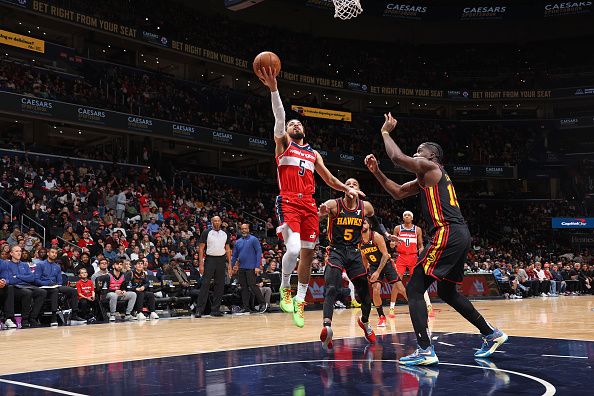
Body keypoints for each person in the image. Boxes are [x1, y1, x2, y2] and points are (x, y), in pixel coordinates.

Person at [365, 113, 507, 366]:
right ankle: (491, 333)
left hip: (447, 231)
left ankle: (425, 349)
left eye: (420, 151)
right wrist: (376, 172)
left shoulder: (431, 168)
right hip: (459, 234)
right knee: (447, 291)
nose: (415, 153)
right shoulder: (426, 177)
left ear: (431, 156)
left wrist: (385, 132)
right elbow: (397, 193)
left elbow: (397, 158)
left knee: (415, 287)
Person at [259, 66, 365, 328]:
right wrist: (274, 89)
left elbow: (328, 179)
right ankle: (284, 286)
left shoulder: (313, 154)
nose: (294, 124)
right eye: (292, 123)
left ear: (304, 129)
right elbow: (280, 116)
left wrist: (346, 189)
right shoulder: (284, 144)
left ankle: (300, 300)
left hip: (308, 204)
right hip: (288, 200)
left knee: (307, 254)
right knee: (293, 248)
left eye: (299, 123)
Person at [317, 178, 377, 351]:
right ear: (343, 188)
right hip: (336, 251)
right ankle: (327, 327)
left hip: (355, 253)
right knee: (331, 289)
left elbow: (376, 223)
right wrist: (320, 214)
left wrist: (387, 235)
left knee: (365, 294)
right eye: (347, 183)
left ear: (359, 189)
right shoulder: (333, 204)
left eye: (355, 184)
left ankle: (364, 322)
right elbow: (316, 218)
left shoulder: (366, 207)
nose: (351, 185)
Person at [360, 218, 407, 327]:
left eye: (364, 223)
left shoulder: (376, 236)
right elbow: (363, 256)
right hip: (373, 265)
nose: (362, 225)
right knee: (375, 289)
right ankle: (381, 316)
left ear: (369, 225)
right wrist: (366, 270)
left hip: (386, 263)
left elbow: (385, 255)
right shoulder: (359, 240)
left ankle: (416, 309)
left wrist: (377, 272)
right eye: (361, 223)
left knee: (400, 288)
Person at [394, 211, 432, 317]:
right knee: (397, 280)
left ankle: (428, 305)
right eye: (405, 215)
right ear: (403, 218)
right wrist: (393, 244)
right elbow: (393, 243)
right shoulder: (397, 228)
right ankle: (392, 308)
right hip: (401, 256)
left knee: (419, 282)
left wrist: (422, 257)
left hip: (413, 257)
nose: (406, 216)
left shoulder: (417, 229)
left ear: (412, 218)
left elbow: (420, 245)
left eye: (409, 215)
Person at [35, 247, 85, 325]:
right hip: (44, 287)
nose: (54, 254)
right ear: (48, 253)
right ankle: (54, 317)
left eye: (55, 253)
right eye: (52, 252)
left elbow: (60, 281)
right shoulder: (40, 264)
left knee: (73, 290)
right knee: (54, 291)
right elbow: (36, 280)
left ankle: (74, 314)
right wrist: (46, 284)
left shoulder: (57, 266)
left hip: (55, 286)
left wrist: (57, 284)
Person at [0, 246, 47, 328]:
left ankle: (32, 318)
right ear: (11, 253)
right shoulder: (6, 264)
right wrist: (23, 278)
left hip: (26, 286)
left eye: (20, 251)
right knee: (27, 293)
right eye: (16, 251)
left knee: (42, 292)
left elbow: (31, 278)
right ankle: (24, 319)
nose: (19, 253)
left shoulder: (25, 264)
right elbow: (9, 280)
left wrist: (17, 276)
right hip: (15, 288)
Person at [194, 216, 232, 317]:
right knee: (205, 285)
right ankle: (199, 310)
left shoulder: (225, 233)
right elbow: (201, 249)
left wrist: (230, 265)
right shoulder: (206, 232)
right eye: (215, 221)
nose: (217, 222)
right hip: (210, 259)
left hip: (221, 260)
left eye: (218, 220)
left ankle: (215, 310)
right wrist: (201, 264)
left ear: (221, 222)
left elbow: (228, 249)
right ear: (211, 222)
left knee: (219, 285)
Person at [231, 223, 269, 314]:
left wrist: (257, 266)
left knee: (252, 285)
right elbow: (234, 255)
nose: (244, 230)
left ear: (248, 229)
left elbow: (258, 252)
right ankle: (246, 307)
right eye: (242, 229)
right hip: (242, 268)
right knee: (243, 287)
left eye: (245, 228)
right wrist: (232, 267)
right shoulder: (238, 241)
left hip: (251, 267)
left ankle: (263, 303)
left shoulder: (254, 239)